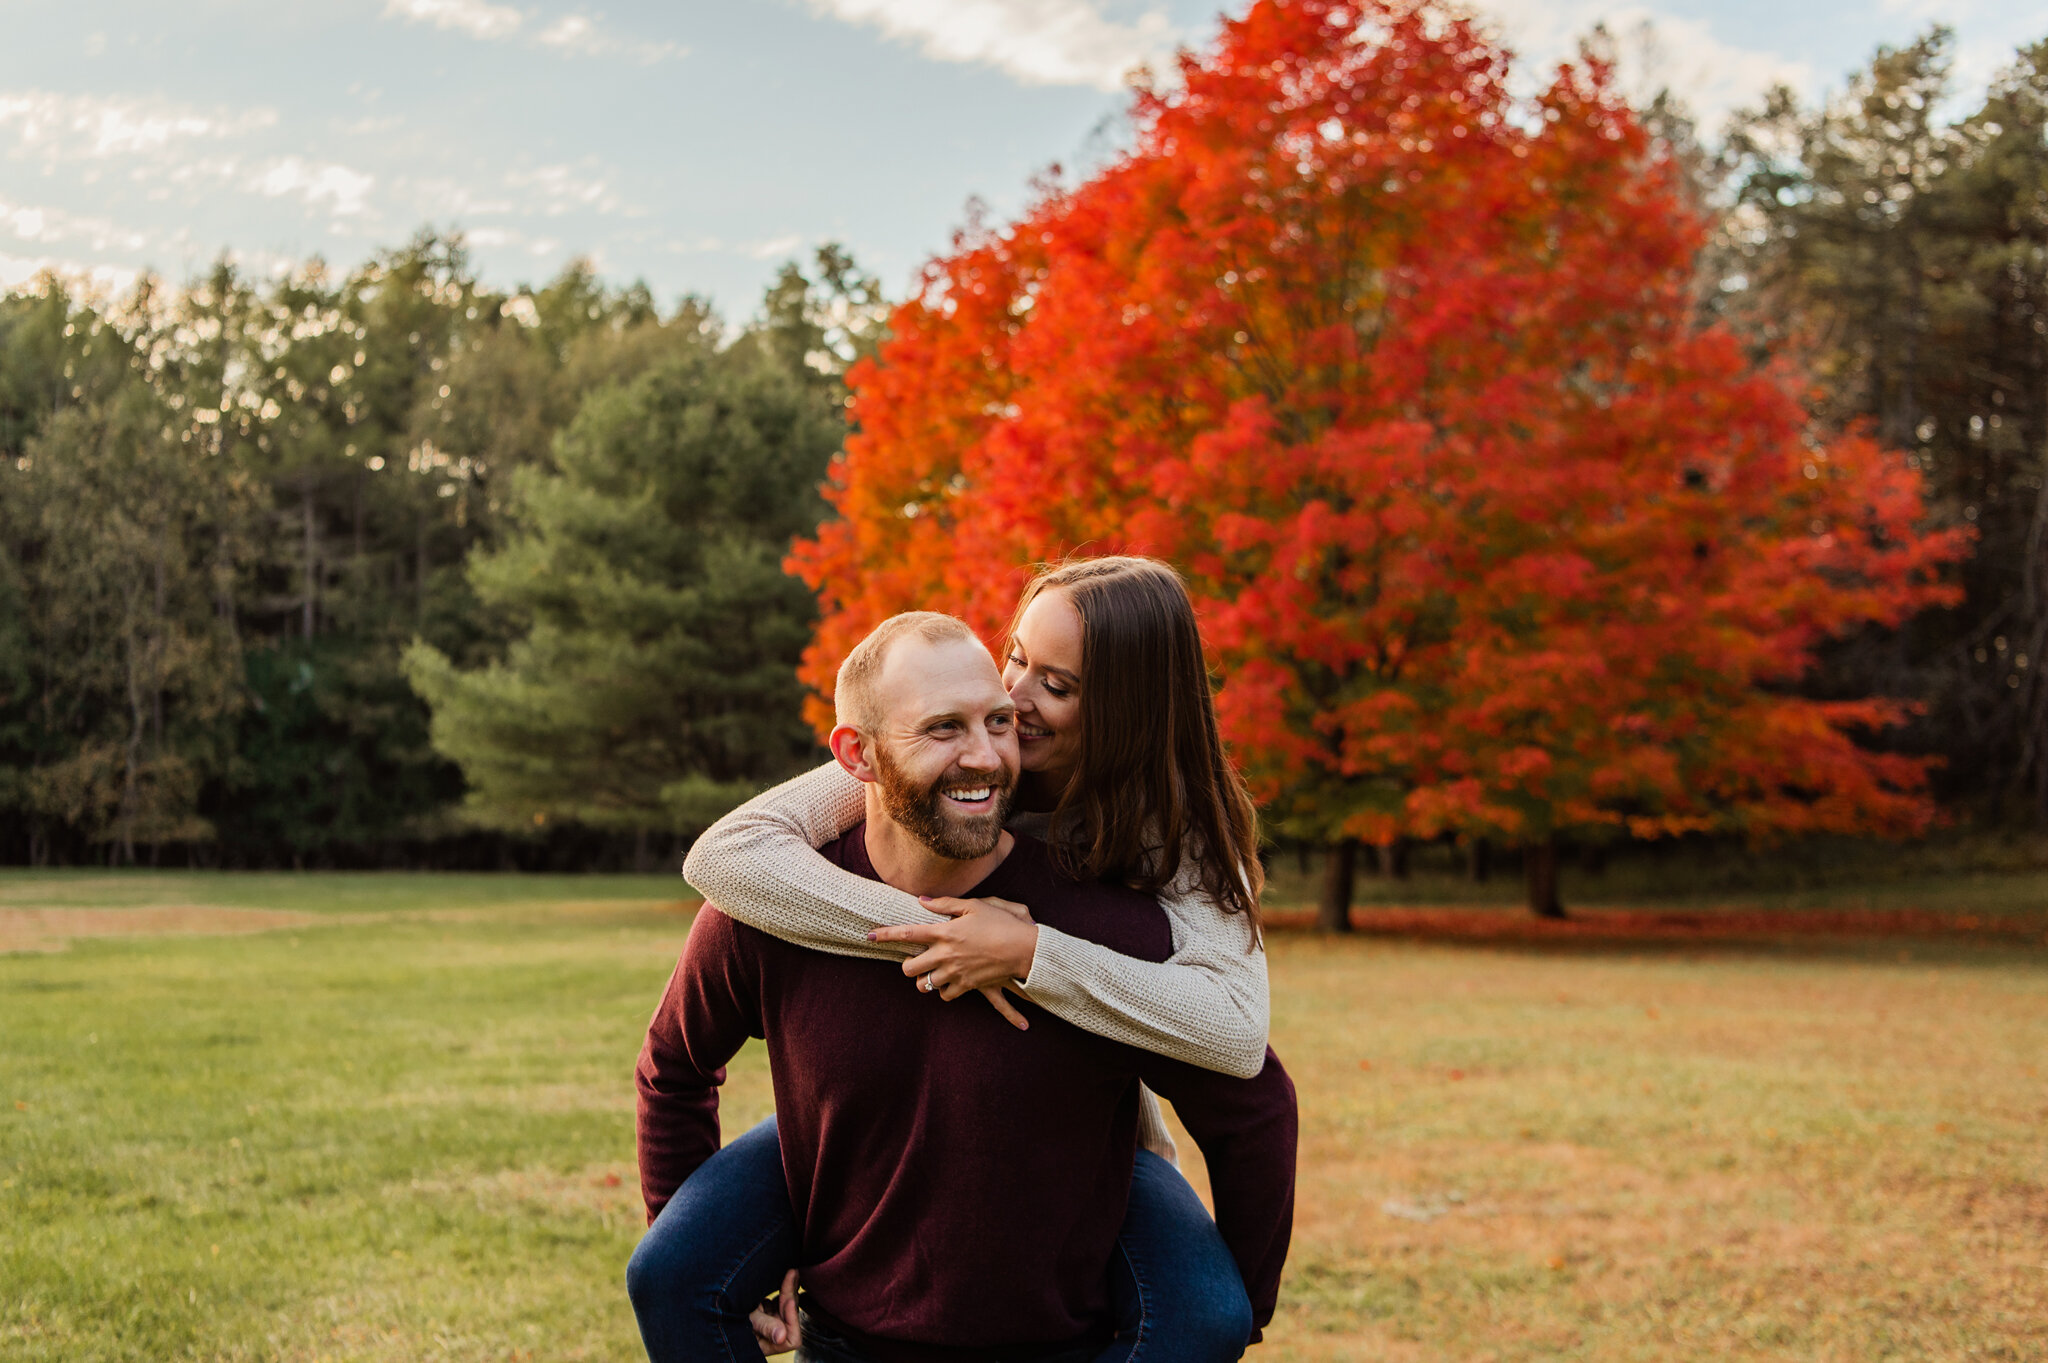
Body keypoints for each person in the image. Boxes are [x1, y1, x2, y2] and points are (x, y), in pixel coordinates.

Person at [634, 557, 1279, 1359]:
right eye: (1016, 656)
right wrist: (934, 929)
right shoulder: (928, 757)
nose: (1010, 699)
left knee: (1205, 1312)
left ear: (1125, 712)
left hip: (1082, 1138)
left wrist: (1030, 950)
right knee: (671, 1269)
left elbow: (1237, 1040)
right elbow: (728, 855)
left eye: (1058, 684)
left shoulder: (1172, 842)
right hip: (860, 1131)